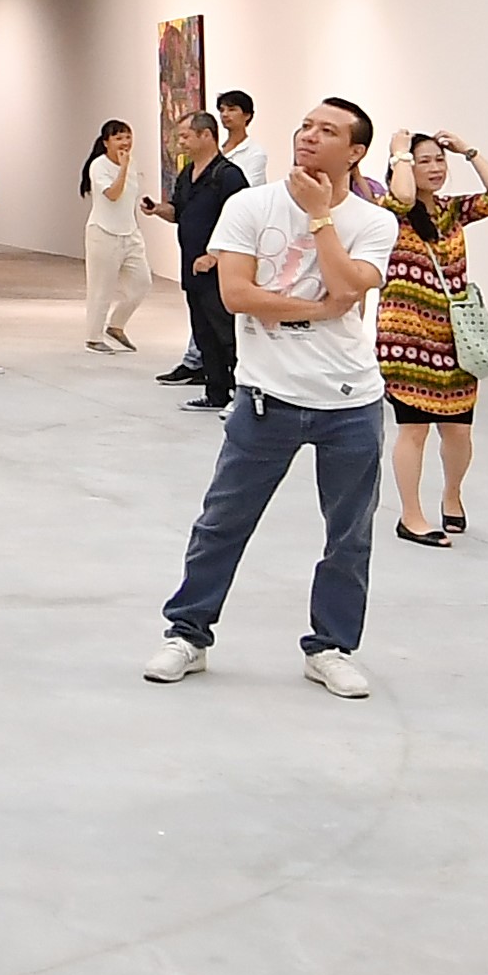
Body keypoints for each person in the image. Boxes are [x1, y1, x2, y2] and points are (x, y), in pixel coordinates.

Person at [144, 97, 397, 697]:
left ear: (355, 152)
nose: (308, 136)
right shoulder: (250, 205)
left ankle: (331, 647)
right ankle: (188, 634)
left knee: (349, 534)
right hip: (266, 397)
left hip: (349, 400)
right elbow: (236, 294)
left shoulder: (374, 222)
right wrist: (318, 310)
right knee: (222, 522)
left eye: (327, 131)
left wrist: (320, 218)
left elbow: (350, 285)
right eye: (306, 125)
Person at [372, 132, 488, 546]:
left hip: (454, 336)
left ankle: (452, 495)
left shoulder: (452, 211)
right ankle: (411, 516)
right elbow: (403, 198)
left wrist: (469, 151)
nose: (435, 168)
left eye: (439, 160)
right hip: (406, 336)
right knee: (413, 429)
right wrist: (400, 152)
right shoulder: (389, 211)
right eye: (425, 161)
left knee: (458, 430)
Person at [152, 107, 250, 404]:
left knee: (228, 334)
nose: (180, 142)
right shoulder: (187, 174)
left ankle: (243, 394)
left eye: (185, 136)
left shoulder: (228, 176)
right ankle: (216, 392)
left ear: (206, 135)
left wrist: (215, 255)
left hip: (220, 271)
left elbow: (242, 222)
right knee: (204, 332)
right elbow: (179, 212)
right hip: (192, 268)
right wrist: (158, 210)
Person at [75, 119, 151, 354]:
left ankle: (116, 325)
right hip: (103, 233)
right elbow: (113, 194)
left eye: (128, 137)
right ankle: (93, 337)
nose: (125, 142)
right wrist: (123, 168)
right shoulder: (99, 166)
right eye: (118, 138)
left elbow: (130, 198)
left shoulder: (132, 163)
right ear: (106, 142)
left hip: (130, 233)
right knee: (101, 289)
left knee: (142, 283)